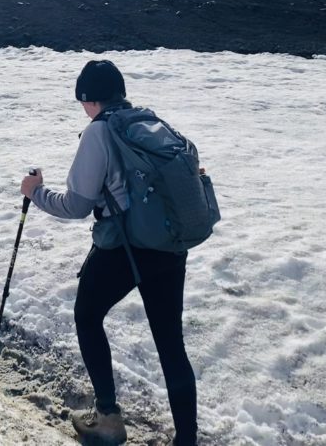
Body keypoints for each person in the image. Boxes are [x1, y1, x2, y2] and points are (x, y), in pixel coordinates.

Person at [20, 60, 198, 446]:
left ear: (88, 98)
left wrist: (34, 191)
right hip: (169, 244)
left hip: (124, 246)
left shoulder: (100, 133)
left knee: (86, 315)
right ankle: (187, 438)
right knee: (170, 340)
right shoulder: (150, 122)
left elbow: (76, 205)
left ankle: (109, 419)